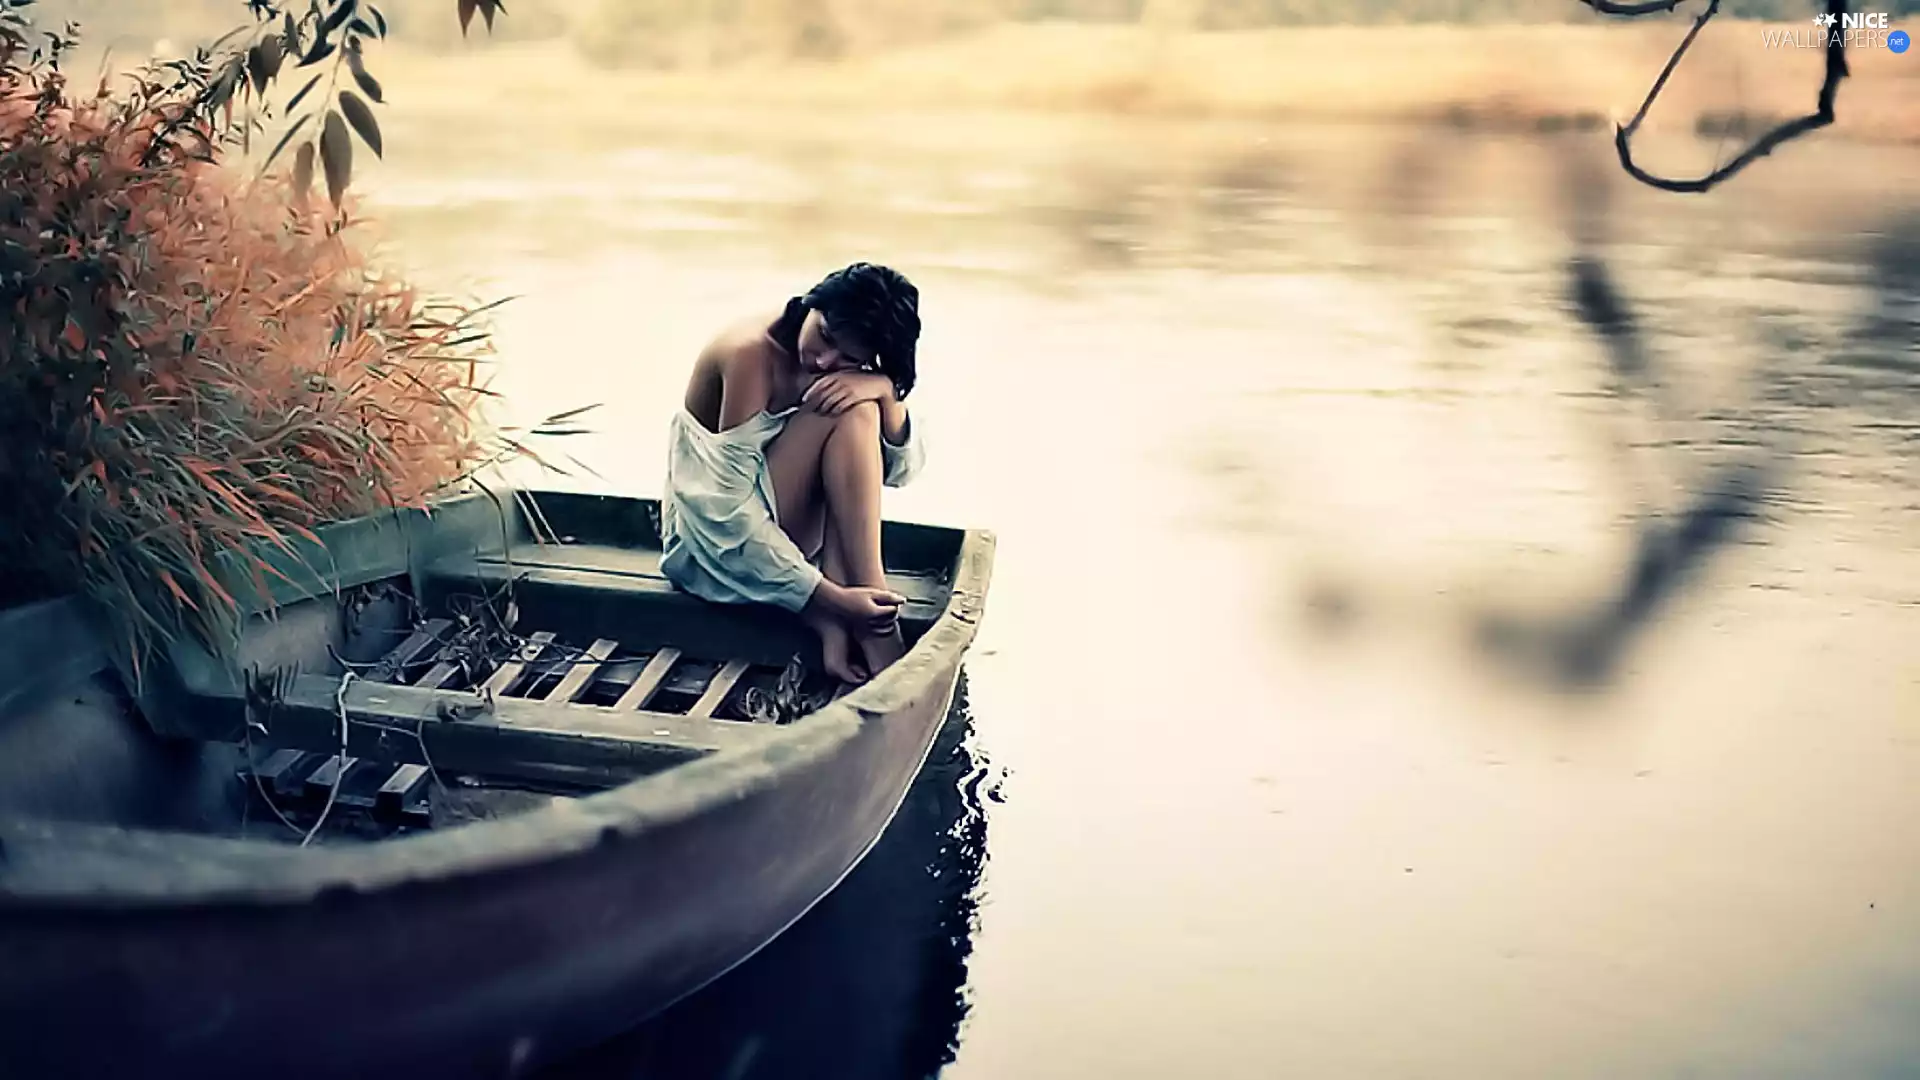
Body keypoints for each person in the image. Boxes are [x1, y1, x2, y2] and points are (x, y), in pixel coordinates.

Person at [658, 263, 927, 685]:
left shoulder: (850, 369)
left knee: (859, 410)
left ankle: (861, 615)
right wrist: (831, 600)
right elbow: (729, 514)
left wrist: (883, 391)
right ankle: (875, 624)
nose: (824, 360)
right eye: (824, 336)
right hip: (713, 548)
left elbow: (901, 473)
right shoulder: (750, 355)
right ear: (813, 303)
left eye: (849, 357)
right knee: (848, 410)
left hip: (786, 545)